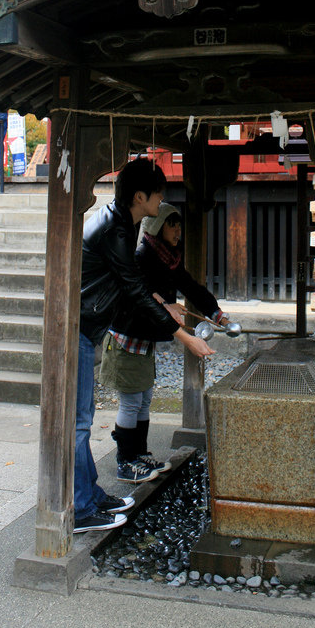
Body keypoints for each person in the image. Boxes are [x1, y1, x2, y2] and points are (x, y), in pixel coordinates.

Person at [74, 158, 214, 535]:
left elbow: (134, 284)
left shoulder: (122, 222)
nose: (163, 199)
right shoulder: (118, 231)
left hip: (90, 326)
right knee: (79, 425)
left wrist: (170, 307)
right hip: (79, 328)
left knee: (84, 422)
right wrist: (184, 336)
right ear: (140, 197)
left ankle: (90, 495)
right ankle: (79, 508)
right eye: (158, 194)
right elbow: (134, 290)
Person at [100, 202, 230, 482]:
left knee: (144, 398)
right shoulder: (140, 256)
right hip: (126, 337)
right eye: (172, 224)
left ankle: (140, 453)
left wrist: (216, 313)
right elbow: (137, 293)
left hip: (143, 339)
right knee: (131, 402)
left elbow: (191, 286)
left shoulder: (168, 258)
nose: (178, 230)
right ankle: (126, 461)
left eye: (179, 224)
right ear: (157, 227)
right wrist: (165, 304)